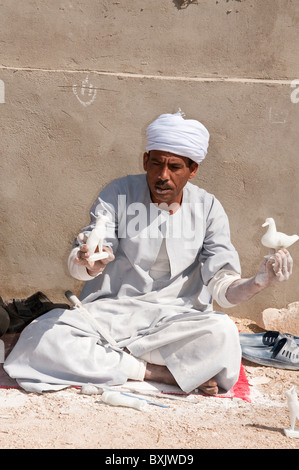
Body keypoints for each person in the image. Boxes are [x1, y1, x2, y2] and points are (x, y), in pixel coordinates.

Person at [4, 111, 293, 395]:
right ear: (145, 161)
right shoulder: (117, 193)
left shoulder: (208, 208)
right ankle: (158, 373)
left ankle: (116, 360)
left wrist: (260, 282)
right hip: (113, 312)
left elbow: (223, 291)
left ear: (192, 170)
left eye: (175, 167)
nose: (162, 176)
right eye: (156, 164)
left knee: (223, 334)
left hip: (177, 320)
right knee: (40, 339)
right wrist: (89, 262)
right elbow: (89, 253)